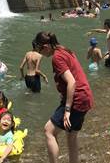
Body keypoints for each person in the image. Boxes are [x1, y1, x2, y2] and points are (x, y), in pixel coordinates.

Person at [33, 31, 93, 163]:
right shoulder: (65, 50)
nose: (40, 53)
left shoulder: (57, 57)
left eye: (40, 49)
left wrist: (67, 110)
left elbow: (72, 82)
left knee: (49, 131)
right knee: (71, 136)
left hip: (77, 99)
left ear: (46, 46)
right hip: (85, 97)